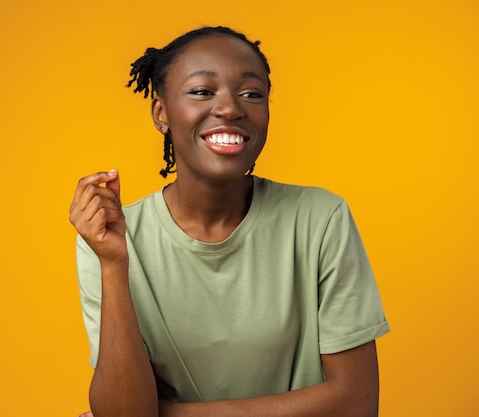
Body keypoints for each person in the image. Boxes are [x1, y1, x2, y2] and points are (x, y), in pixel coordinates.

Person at [69, 26, 389, 417]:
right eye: (203, 91)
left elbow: (357, 403)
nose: (231, 108)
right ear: (161, 112)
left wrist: (167, 414)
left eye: (251, 94)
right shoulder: (110, 238)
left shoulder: (320, 220)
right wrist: (115, 264)